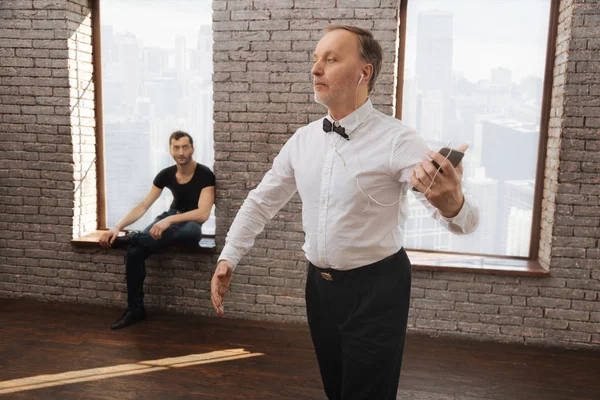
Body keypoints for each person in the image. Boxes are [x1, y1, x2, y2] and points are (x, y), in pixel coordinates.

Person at [211, 25, 479, 400]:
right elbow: (261, 201)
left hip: (377, 288)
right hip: (319, 288)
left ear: (364, 72)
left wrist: (454, 206)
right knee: (336, 387)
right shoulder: (303, 140)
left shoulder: (398, 140)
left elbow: (461, 220)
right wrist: (229, 256)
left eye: (331, 59)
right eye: (316, 59)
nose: (315, 69)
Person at [100, 130, 215, 330]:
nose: (181, 152)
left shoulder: (205, 174)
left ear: (192, 149)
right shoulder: (166, 174)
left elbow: (203, 214)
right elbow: (143, 206)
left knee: (180, 232)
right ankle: (135, 309)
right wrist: (117, 227)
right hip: (170, 218)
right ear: (170, 150)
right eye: (176, 147)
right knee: (135, 252)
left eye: (185, 147)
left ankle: (133, 238)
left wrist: (170, 220)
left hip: (190, 224)